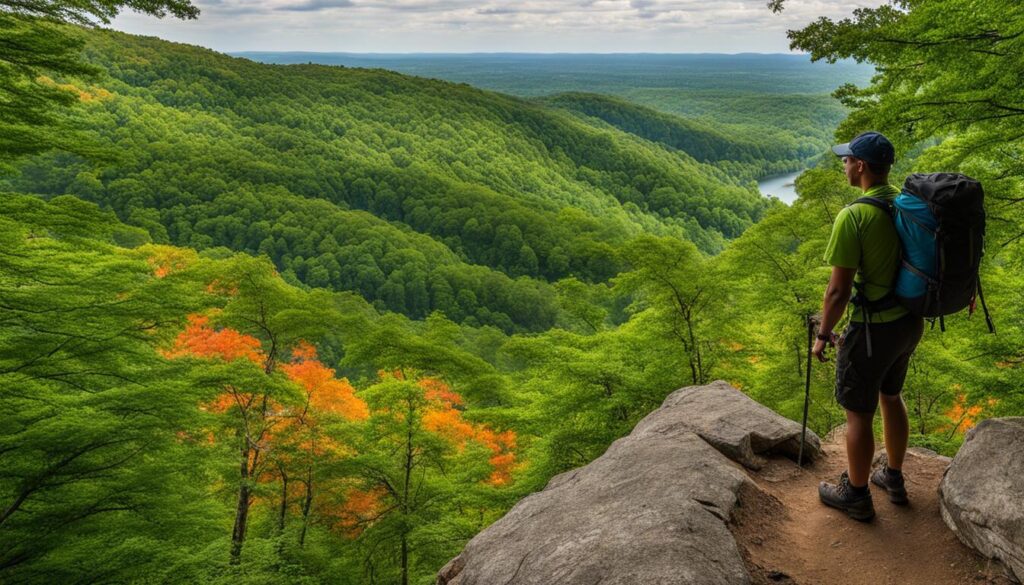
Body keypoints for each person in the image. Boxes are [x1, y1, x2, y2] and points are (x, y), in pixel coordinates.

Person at [811, 131, 925, 522]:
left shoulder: (854, 215)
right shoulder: (906, 204)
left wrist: (823, 334)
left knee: (857, 413)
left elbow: (838, 290)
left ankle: (856, 495)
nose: (843, 165)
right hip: (908, 323)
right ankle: (893, 477)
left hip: (872, 331)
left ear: (860, 166)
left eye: (846, 160)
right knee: (890, 396)